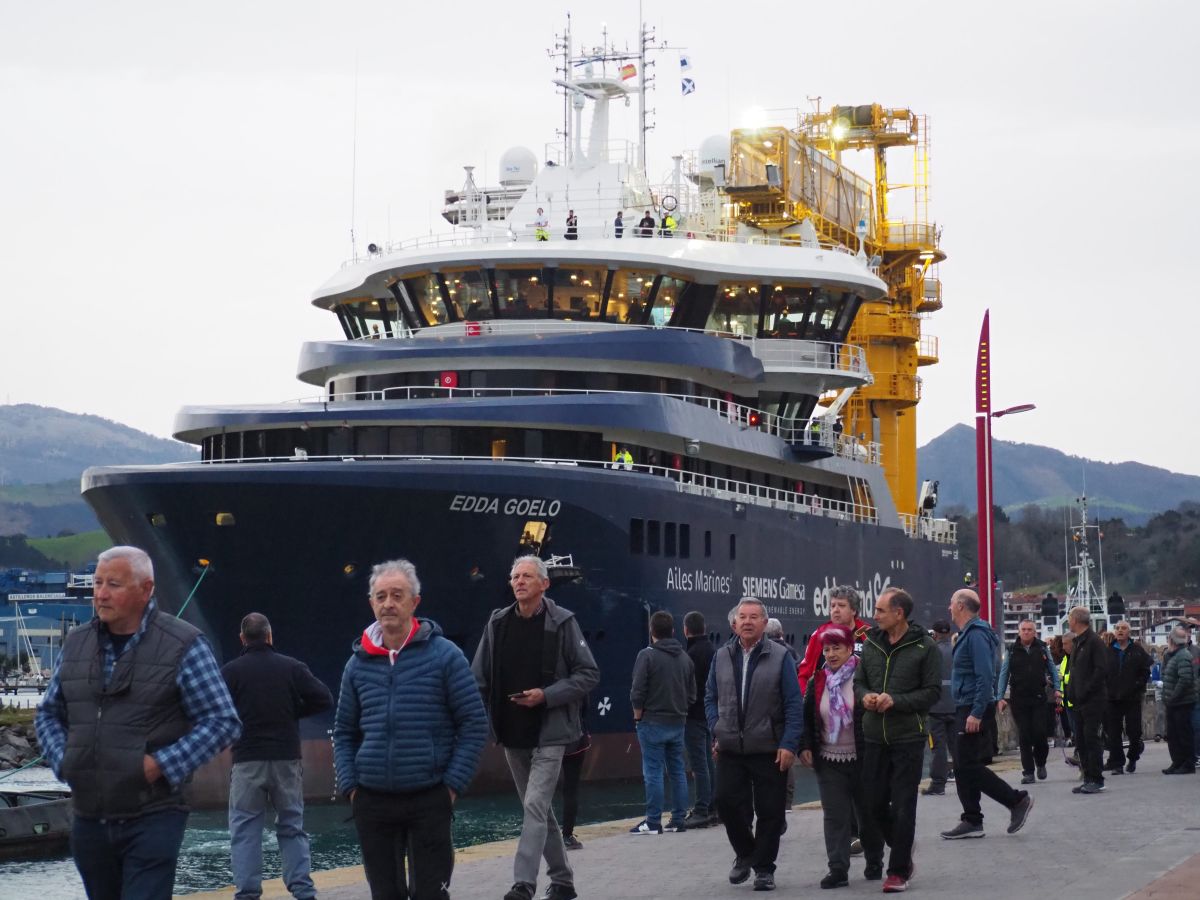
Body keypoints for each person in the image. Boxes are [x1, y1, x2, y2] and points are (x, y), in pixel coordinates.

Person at [35, 546, 242, 900]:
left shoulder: (184, 644)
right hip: (88, 816)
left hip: (153, 814)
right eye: (97, 583)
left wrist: (159, 765)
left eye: (113, 584)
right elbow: (48, 713)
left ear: (145, 590)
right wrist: (64, 759)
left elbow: (222, 721)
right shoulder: (76, 644)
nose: (100, 593)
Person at [333, 559, 488, 900]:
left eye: (397, 595)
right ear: (372, 602)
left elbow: (474, 723)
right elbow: (344, 731)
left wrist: (451, 786)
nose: (388, 603)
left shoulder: (446, 657)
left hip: (429, 797)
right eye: (381, 596)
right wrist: (351, 787)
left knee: (430, 895)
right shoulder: (357, 664)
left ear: (414, 602)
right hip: (372, 800)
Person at [472, 555, 600, 900]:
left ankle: (523, 884)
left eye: (527, 576)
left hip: (551, 731)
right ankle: (562, 881)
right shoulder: (497, 623)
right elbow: (478, 677)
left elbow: (588, 673)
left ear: (544, 583)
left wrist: (546, 695)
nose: (519, 581)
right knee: (538, 808)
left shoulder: (563, 622)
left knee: (533, 805)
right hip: (511, 731)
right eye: (515, 576)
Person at [222, 613, 334, 900]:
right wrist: (292, 711)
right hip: (286, 758)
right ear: (270, 636)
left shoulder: (231, 672)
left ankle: (247, 893)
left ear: (242, 639)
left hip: (247, 760)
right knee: (291, 826)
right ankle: (303, 890)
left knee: (245, 828)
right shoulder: (292, 667)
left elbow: (215, 708)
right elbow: (324, 698)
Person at [706, 597, 803, 892]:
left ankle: (764, 869)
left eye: (754, 617)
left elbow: (793, 703)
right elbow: (710, 697)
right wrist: (716, 728)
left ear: (764, 623)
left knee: (770, 811)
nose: (747, 622)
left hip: (768, 747)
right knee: (726, 803)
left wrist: (789, 744)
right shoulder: (720, 656)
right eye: (742, 617)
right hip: (731, 747)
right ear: (734, 623)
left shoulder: (780, 657)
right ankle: (747, 853)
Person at [853, 587, 940, 893]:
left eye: (879, 611)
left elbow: (932, 692)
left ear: (898, 613)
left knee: (904, 805)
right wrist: (866, 698)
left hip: (908, 738)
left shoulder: (925, 647)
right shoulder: (871, 645)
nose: (874, 616)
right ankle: (902, 845)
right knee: (873, 804)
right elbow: (859, 682)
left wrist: (897, 701)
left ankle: (898, 870)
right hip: (874, 736)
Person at [940, 590, 1034, 841]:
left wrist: (977, 712)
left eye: (951, 603)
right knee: (962, 765)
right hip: (966, 705)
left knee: (967, 765)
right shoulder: (968, 635)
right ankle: (972, 818)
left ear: (961, 606)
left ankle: (1015, 800)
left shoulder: (977, 636)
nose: (949, 608)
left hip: (972, 707)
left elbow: (985, 676)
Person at [799, 624, 884, 888]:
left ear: (850, 648)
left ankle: (874, 860)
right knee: (835, 816)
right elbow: (808, 717)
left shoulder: (864, 677)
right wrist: (805, 746)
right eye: (827, 649)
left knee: (867, 814)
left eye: (837, 648)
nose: (831, 654)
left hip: (863, 757)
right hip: (829, 759)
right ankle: (837, 868)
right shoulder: (818, 681)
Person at [629, 610, 695, 834]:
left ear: (652, 631)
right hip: (678, 722)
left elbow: (637, 691)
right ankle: (678, 820)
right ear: (673, 631)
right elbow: (693, 694)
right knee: (677, 770)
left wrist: (638, 715)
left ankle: (653, 821)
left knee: (653, 771)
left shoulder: (646, 656)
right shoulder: (685, 658)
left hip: (652, 721)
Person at [996, 619, 1060, 784]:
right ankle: (1028, 772)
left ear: (1034, 632)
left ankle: (1041, 762)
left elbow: (1052, 669)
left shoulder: (1042, 648)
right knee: (1024, 735)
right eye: (1023, 629)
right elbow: (1004, 674)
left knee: (1040, 733)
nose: (1026, 632)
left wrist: (1058, 689)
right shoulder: (1011, 650)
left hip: (1039, 697)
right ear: (1019, 632)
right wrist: (1000, 697)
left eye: (1029, 629)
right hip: (1019, 698)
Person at [1065, 606, 1109, 793]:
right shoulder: (1077, 643)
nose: (1068, 621)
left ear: (1076, 620)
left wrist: (1086, 690)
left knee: (1092, 739)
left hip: (1093, 700)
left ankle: (1097, 778)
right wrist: (1072, 693)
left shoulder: (1094, 642)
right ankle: (1088, 776)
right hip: (1078, 701)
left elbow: (1101, 670)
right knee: (1081, 740)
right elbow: (1074, 671)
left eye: (1069, 618)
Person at [798, 585, 870, 695]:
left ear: (854, 610)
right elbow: (804, 673)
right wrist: (806, 699)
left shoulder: (869, 635)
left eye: (841, 605)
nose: (835, 610)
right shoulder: (819, 635)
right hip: (825, 702)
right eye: (832, 606)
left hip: (859, 703)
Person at [682, 610, 718, 829]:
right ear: (704, 628)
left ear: (686, 630)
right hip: (709, 714)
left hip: (694, 715)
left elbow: (689, 687)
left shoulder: (691, 655)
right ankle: (714, 807)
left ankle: (702, 809)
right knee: (708, 761)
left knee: (699, 763)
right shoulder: (713, 650)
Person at [1103, 620, 1152, 774]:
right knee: (1113, 732)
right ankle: (1117, 763)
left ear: (1129, 632)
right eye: (1117, 628)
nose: (1120, 631)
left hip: (1132, 697)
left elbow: (1146, 671)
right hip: (1112, 698)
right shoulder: (1108, 651)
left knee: (1134, 731)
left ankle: (1132, 757)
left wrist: (1137, 684)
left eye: (1123, 628)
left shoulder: (1137, 650)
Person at [922, 619, 957, 796]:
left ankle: (938, 784)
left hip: (935, 708)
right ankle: (965, 779)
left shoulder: (931, 652)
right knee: (957, 746)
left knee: (937, 747)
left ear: (934, 634)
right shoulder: (956, 650)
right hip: (956, 706)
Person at [1160, 625, 1196, 774]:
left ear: (1172, 640)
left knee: (1183, 734)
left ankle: (1187, 763)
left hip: (1181, 702)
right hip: (1174, 702)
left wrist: (1173, 697)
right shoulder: (1174, 655)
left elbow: (1185, 679)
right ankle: (1177, 762)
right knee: (1174, 734)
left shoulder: (1183, 656)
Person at [558, 699, 590, 850]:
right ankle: (567, 836)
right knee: (571, 789)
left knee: (541, 789)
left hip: (549, 741)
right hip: (576, 739)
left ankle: (539, 835)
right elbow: (585, 708)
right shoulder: (577, 684)